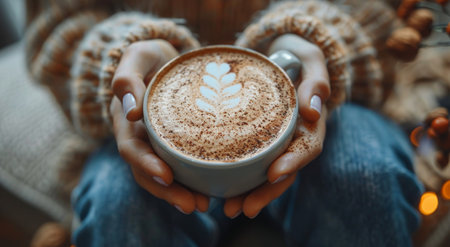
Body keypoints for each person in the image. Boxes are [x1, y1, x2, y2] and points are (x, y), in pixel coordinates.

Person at [26, 0, 424, 246]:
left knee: (366, 178)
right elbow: (60, 24)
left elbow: (383, 10)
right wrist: (118, 59)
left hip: (318, 102)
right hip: (153, 119)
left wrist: (313, 41)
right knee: (118, 206)